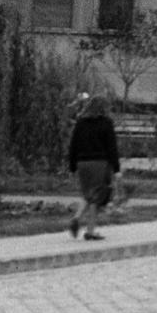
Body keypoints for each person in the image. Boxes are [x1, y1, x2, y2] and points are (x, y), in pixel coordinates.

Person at [67, 94, 120, 240]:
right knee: (96, 198)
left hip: (82, 163)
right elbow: (112, 147)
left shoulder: (81, 123)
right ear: (104, 108)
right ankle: (90, 231)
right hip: (99, 163)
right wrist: (116, 169)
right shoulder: (106, 123)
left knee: (88, 195)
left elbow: (73, 145)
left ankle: (77, 218)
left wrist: (72, 167)